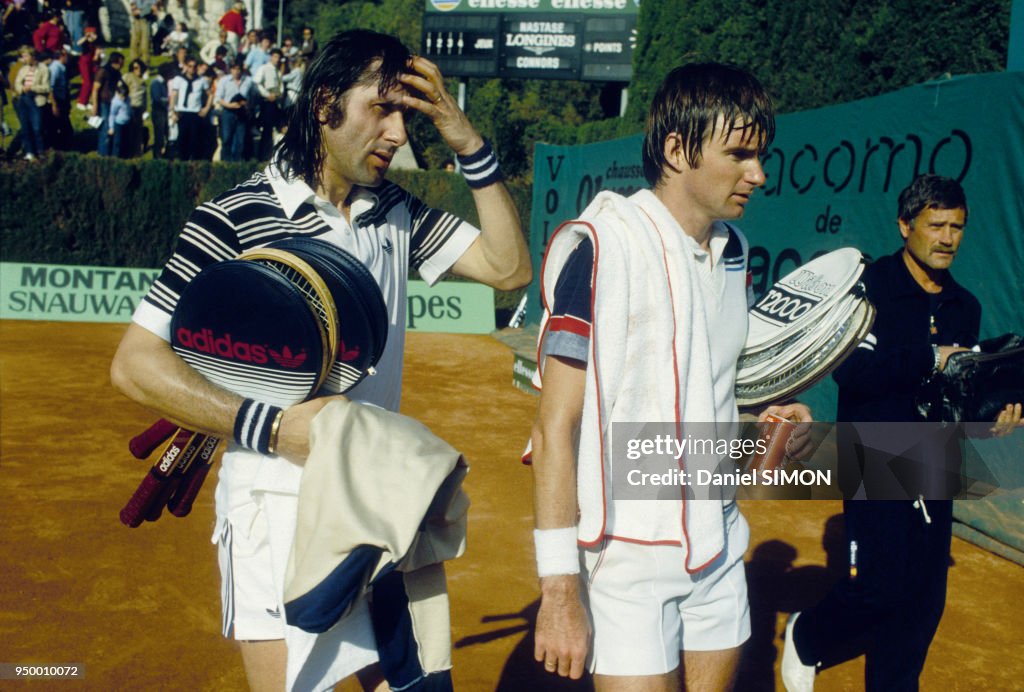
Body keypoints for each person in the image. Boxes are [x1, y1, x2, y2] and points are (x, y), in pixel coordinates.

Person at [109, 28, 530, 691]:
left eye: (406, 114)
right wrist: (272, 429)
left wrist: (467, 144)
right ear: (327, 102)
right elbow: (135, 364)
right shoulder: (233, 217)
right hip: (277, 503)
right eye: (381, 109)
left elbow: (509, 269)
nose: (396, 132)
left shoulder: (396, 211)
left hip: (387, 496)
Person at [529, 61, 812, 691]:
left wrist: (764, 416)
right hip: (626, 556)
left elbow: (712, 391)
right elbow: (555, 429)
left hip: (719, 544)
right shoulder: (602, 248)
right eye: (739, 154)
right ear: (678, 149)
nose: (758, 175)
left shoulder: (734, 251)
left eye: (761, 155)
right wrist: (559, 591)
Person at [781, 175, 1023, 692]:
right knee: (878, 588)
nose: (947, 238)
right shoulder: (870, 289)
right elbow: (853, 372)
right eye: (936, 225)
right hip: (872, 453)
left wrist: (992, 417)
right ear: (904, 225)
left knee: (923, 601)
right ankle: (810, 635)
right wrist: (933, 359)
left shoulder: (965, 305)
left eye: (957, 227)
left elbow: (957, 398)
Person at [168, 54, 212, 160]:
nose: (192, 69)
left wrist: (206, 108)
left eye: (194, 66)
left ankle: (194, 164)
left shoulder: (201, 80)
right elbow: (174, 95)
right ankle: (182, 162)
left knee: (195, 141)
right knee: (182, 140)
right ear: (186, 66)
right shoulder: (179, 79)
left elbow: (210, 94)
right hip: (182, 112)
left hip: (195, 113)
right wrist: (173, 111)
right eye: (190, 66)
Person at [12, 46, 50, 160]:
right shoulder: (23, 69)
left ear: (32, 56)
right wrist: (21, 88)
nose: (23, 59)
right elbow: (17, 83)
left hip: (36, 100)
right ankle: (29, 151)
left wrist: (33, 88)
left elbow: (46, 87)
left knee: (37, 128)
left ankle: (40, 150)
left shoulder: (43, 68)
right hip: (23, 99)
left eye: (25, 56)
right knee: (25, 127)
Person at [214, 59, 251, 161]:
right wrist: (229, 105)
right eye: (234, 69)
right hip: (228, 111)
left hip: (242, 112)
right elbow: (218, 98)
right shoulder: (224, 81)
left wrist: (246, 104)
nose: (236, 71)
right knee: (226, 139)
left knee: (240, 140)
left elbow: (252, 96)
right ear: (231, 70)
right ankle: (225, 162)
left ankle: (237, 163)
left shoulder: (248, 81)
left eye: (238, 69)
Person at [89, 50, 122, 156]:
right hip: (104, 103)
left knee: (112, 129)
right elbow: (95, 89)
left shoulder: (117, 73)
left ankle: (110, 152)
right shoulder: (103, 71)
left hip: (114, 103)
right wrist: (95, 105)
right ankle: (103, 153)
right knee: (105, 129)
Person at [251, 45, 282, 160]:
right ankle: (262, 156)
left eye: (279, 57)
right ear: (271, 57)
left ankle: (270, 155)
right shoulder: (264, 68)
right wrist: (267, 94)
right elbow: (257, 83)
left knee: (274, 130)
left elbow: (281, 86)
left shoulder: (278, 71)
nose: (277, 59)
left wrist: (279, 94)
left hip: (275, 101)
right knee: (266, 130)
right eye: (275, 56)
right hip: (266, 102)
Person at [45, 48, 72, 149]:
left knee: (64, 124)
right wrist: (54, 104)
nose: (69, 58)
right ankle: (60, 146)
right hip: (57, 100)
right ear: (62, 56)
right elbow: (50, 87)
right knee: (61, 125)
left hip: (62, 99)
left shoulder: (61, 67)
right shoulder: (55, 68)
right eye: (67, 56)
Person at [149, 60, 172, 157]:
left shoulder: (163, 82)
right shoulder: (156, 83)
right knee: (159, 135)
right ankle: (157, 154)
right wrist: (169, 100)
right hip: (158, 112)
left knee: (166, 133)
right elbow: (157, 98)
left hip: (163, 111)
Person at [74, 24, 98, 109]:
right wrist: (86, 37)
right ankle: (81, 101)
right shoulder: (85, 42)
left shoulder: (95, 43)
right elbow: (78, 43)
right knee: (87, 82)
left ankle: (87, 100)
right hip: (84, 62)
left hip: (91, 62)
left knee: (92, 81)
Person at [105, 79, 130, 157]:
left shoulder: (128, 99)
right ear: (117, 93)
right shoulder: (115, 102)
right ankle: (115, 157)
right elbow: (112, 115)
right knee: (117, 142)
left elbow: (129, 108)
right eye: (121, 96)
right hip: (118, 124)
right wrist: (111, 127)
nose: (123, 98)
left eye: (124, 96)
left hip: (127, 123)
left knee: (125, 141)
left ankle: (124, 156)